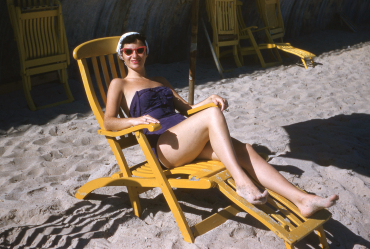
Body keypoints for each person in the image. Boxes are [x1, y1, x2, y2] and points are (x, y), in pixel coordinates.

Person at [104, 32, 338, 218]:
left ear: (146, 52)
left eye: (140, 50)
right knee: (212, 116)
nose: (135, 55)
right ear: (121, 55)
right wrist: (136, 120)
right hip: (164, 147)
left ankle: (302, 200)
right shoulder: (119, 83)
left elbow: (187, 110)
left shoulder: (161, 81)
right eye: (128, 51)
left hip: (186, 139)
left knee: (245, 149)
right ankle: (242, 181)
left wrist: (208, 100)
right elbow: (109, 122)